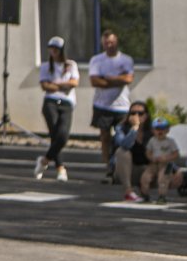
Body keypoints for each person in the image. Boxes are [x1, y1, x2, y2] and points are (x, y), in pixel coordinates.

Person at [89, 33, 137, 182]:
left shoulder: (125, 59)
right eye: (106, 43)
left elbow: (128, 79)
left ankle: (117, 166)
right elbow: (95, 81)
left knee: (120, 138)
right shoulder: (97, 60)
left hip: (122, 106)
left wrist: (108, 79)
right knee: (105, 137)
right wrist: (117, 79)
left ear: (116, 42)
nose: (109, 45)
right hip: (102, 104)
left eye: (111, 42)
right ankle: (108, 167)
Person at [36, 37, 79, 182]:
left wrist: (55, 84)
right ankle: (61, 168)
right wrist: (62, 85)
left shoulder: (71, 65)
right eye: (51, 48)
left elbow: (74, 83)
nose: (53, 51)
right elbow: (45, 86)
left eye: (56, 48)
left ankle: (44, 161)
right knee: (55, 133)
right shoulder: (46, 66)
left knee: (62, 135)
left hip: (66, 102)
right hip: (51, 102)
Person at [113, 104, 152, 202]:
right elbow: (125, 145)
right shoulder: (121, 128)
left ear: (146, 115)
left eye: (140, 113)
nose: (137, 116)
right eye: (133, 113)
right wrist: (135, 128)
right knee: (122, 152)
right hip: (128, 170)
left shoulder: (152, 130)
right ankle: (128, 191)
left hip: (148, 169)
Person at [141, 119, 180, 203]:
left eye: (163, 129)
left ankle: (162, 196)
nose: (160, 131)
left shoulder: (170, 141)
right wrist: (151, 158)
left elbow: (176, 154)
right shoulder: (152, 140)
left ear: (167, 130)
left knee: (163, 178)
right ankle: (145, 195)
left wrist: (167, 157)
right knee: (145, 177)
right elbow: (148, 152)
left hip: (167, 164)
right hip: (154, 163)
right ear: (153, 130)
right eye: (157, 129)